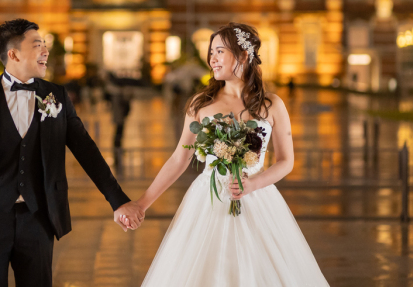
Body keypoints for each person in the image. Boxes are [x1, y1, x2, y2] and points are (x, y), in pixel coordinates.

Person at [0, 19, 144, 287]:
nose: (45, 51)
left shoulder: (57, 96)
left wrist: (118, 200)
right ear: (14, 54)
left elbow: (86, 150)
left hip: (38, 216)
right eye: (37, 45)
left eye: (45, 45)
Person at [135, 23, 329, 286]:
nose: (212, 59)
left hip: (258, 199)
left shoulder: (272, 105)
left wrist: (253, 184)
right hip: (208, 199)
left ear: (243, 56)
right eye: (211, 53)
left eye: (219, 51)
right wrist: (142, 204)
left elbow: (286, 162)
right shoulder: (200, 105)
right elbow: (179, 158)